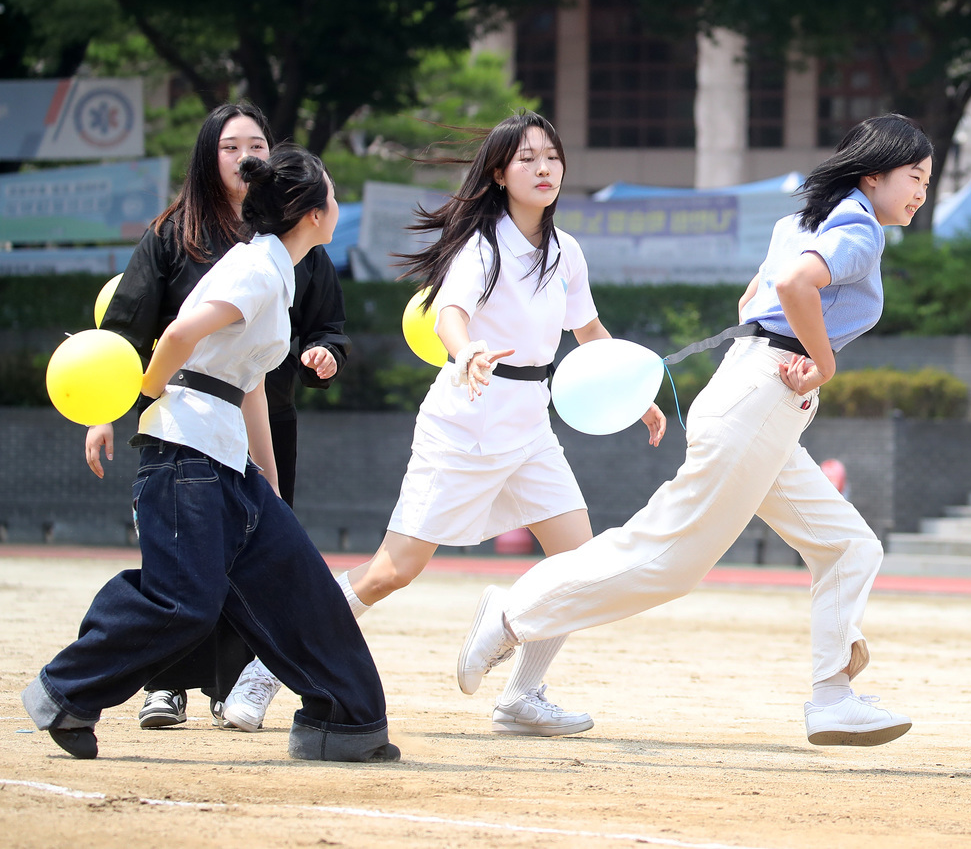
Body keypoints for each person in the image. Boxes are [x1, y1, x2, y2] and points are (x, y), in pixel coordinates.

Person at [456, 113, 931, 747]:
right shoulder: (859, 228)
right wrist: (822, 358)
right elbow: (792, 286)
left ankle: (832, 698)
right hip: (760, 401)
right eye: (915, 176)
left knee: (849, 547)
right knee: (667, 560)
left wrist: (788, 343)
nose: (921, 191)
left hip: (758, 395)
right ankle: (513, 614)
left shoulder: (804, 220)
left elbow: (755, 298)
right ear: (873, 177)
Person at [226, 110, 666, 737]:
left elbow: (589, 332)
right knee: (391, 572)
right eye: (527, 159)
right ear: (498, 172)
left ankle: (521, 697)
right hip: (464, 422)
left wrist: (631, 390)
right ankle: (266, 668)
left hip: (530, 426)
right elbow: (448, 317)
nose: (544, 168)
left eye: (552, 157)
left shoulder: (567, 252)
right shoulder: (481, 244)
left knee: (579, 563)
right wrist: (468, 354)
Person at [25, 146, 399, 763]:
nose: (336, 205)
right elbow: (176, 335)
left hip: (227, 460)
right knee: (184, 603)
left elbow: (248, 383)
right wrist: (140, 398)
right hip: (185, 453)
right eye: (331, 196)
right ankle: (65, 691)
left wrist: (270, 486)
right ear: (310, 214)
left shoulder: (275, 273)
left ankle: (345, 721)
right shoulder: (254, 271)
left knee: (303, 587)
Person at [84, 102, 350, 732]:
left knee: (255, 561)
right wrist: (113, 405)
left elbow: (323, 331)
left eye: (255, 145)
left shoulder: (300, 249)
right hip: (189, 419)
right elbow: (134, 328)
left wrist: (324, 353)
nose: (245, 157)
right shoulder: (180, 236)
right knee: (183, 564)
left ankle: (234, 683)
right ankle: (163, 684)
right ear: (208, 157)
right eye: (230, 147)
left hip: (261, 417)